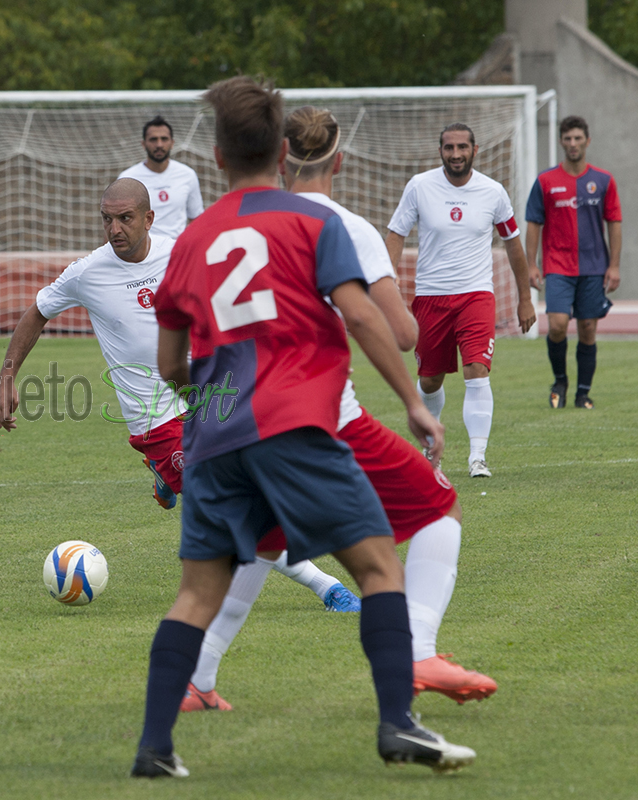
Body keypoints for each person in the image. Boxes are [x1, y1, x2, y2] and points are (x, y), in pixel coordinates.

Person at [131, 76, 474, 779]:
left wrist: (223, 380)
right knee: (380, 567)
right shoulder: (312, 223)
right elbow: (361, 315)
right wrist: (412, 401)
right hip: (294, 424)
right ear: (281, 158)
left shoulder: (190, 240)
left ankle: (154, 749)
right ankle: (397, 725)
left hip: (215, 437)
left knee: (197, 593)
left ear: (219, 158)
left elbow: (170, 365)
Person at [0, 178, 361, 613]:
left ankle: (165, 474)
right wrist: (7, 375)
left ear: (148, 218)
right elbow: (38, 312)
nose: (114, 229)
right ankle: (327, 587)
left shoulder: (182, 251)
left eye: (125, 218)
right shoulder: (87, 273)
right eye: (107, 219)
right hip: (154, 421)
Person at [385, 123, 536, 478]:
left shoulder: (493, 192)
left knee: (476, 371)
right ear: (440, 151)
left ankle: (477, 457)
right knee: (430, 381)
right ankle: (430, 447)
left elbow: (513, 243)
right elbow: (395, 234)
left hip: (476, 295)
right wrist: (385, 282)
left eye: (462, 147)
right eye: (449, 148)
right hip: (431, 297)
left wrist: (525, 297)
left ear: (475, 150)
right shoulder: (420, 187)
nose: (456, 154)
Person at [525, 116, 622, 410]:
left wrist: (614, 265)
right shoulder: (545, 180)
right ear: (561, 142)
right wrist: (532, 264)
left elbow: (614, 222)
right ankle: (560, 381)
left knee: (588, 328)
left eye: (578, 138)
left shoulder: (603, 180)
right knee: (556, 325)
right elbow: (533, 223)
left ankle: (583, 393)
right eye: (568, 139)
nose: (573, 144)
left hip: (593, 266)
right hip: (557, 266)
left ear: (587, 141)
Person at [117, 116, 205, 239]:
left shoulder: (187, 175)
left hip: (176, 252)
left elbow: (196, 219)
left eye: (164, 139)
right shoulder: (127, 178)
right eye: (153, 139)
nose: (159, 144)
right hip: (142, 255)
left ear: (172, 143)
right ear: (143, 144)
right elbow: (116, 222)